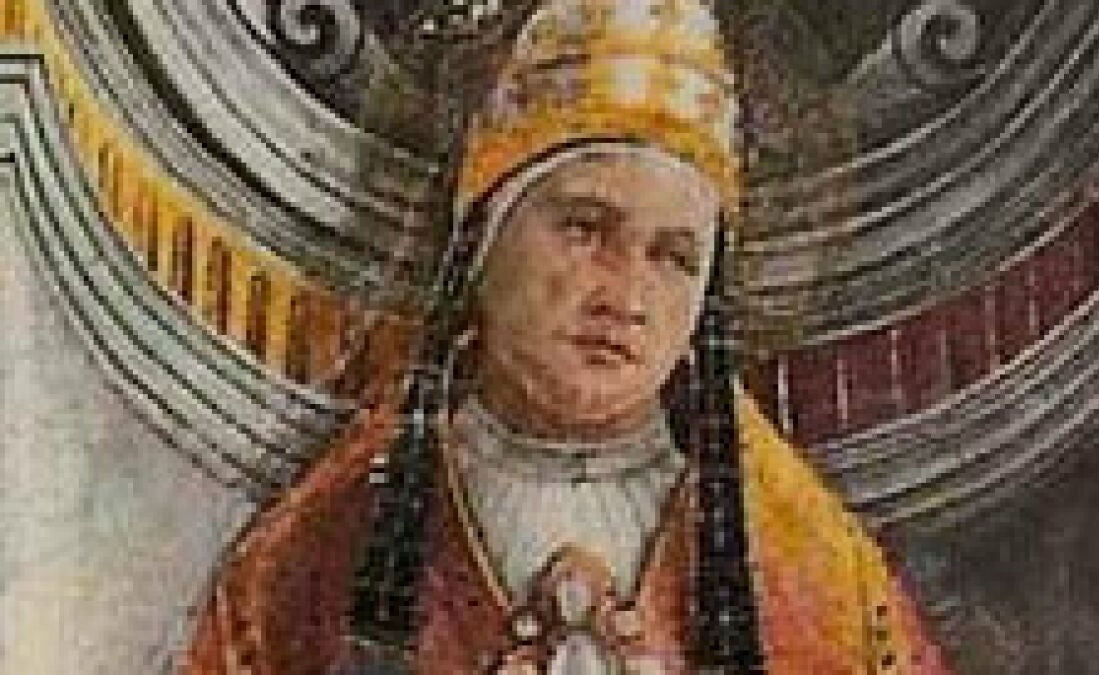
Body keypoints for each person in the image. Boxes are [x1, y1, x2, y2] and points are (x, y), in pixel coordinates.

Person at [184, 0, 951, 672]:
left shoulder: (817, 577)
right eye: (584, 228)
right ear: (482, 243)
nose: (625, 295)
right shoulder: (305, 564)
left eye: (673, 257)